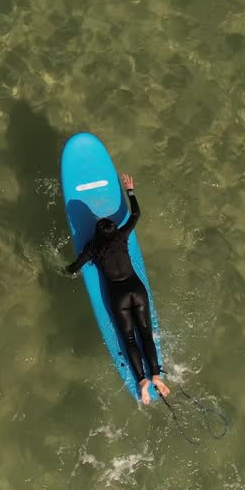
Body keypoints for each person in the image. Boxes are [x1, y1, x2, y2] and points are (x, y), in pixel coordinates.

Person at [66, 173, 170, 405]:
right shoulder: (122, 236)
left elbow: (74, 268)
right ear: (114, 231)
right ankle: (156, 375)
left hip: (118, 296)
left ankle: (142, 381)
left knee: (130, 339)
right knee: (146, 334)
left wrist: (65, 269)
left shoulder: (92, 249)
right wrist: (129, 190)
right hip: (137, 289)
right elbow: (135, 214)